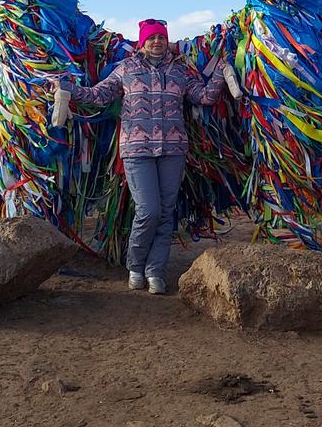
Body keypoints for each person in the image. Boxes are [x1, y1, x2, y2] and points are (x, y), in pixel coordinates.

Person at [53, 19, 237, 295]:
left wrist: (222, 73)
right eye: (151, 38)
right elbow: (98, 95)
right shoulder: (126, 69)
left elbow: (204, 97)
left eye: (161, 37)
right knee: (148, 211)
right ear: (142, 42)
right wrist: (67, 88)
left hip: (173, 150)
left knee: (165, 213)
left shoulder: (179, 72)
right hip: (137, 151)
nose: (157, 42)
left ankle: (155, 272)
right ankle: (136, 266)